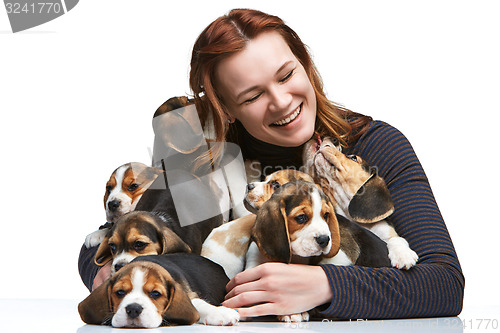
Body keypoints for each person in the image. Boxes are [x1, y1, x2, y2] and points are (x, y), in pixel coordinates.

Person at [79, 8, 464, 320]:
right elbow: (115, 237)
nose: (281, 102)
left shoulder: (371, 146)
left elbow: (444, 283)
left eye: (287, 75)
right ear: (226, 109)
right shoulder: (207, 159)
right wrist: (104, 272)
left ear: (305, 64)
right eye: (252, 96)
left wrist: (325, 285)